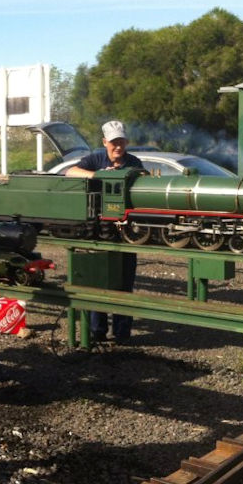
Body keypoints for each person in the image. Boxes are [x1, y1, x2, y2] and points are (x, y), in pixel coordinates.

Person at [64, 120, 143, 343]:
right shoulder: (95, 159)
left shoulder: (134, 162)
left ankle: (122, 332)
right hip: (98, 230)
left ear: (126, 142)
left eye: (121, 142)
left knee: (125, 283)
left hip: (125, 232)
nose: (117, 146)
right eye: (113, 142)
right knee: (97, 281)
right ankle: (96, 331)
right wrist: (97, 176)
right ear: (105, 142)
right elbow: (71, 171)